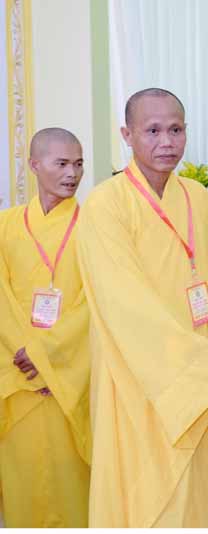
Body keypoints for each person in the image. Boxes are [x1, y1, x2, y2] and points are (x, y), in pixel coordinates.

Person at [75, 88, 208, 527]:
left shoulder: (195, 196)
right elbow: (125, 306)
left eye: (175, 130)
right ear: (127, 135)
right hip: (139, 376)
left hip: (201, 372)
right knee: (150, 500)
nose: (166, 142)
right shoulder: (105, 204)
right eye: (153, 131)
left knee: (196, 497)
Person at [0, 128, 90, 527]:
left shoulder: (94, 227)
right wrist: (26, 354)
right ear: (34, 165)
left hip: (70, 379)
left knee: (74, 490)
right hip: (17, 376)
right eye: (62, 163)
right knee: (23, 488)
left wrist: (49, 353)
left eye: (79, 164)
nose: (72, 173)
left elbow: (98, 302)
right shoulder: (5, 225)